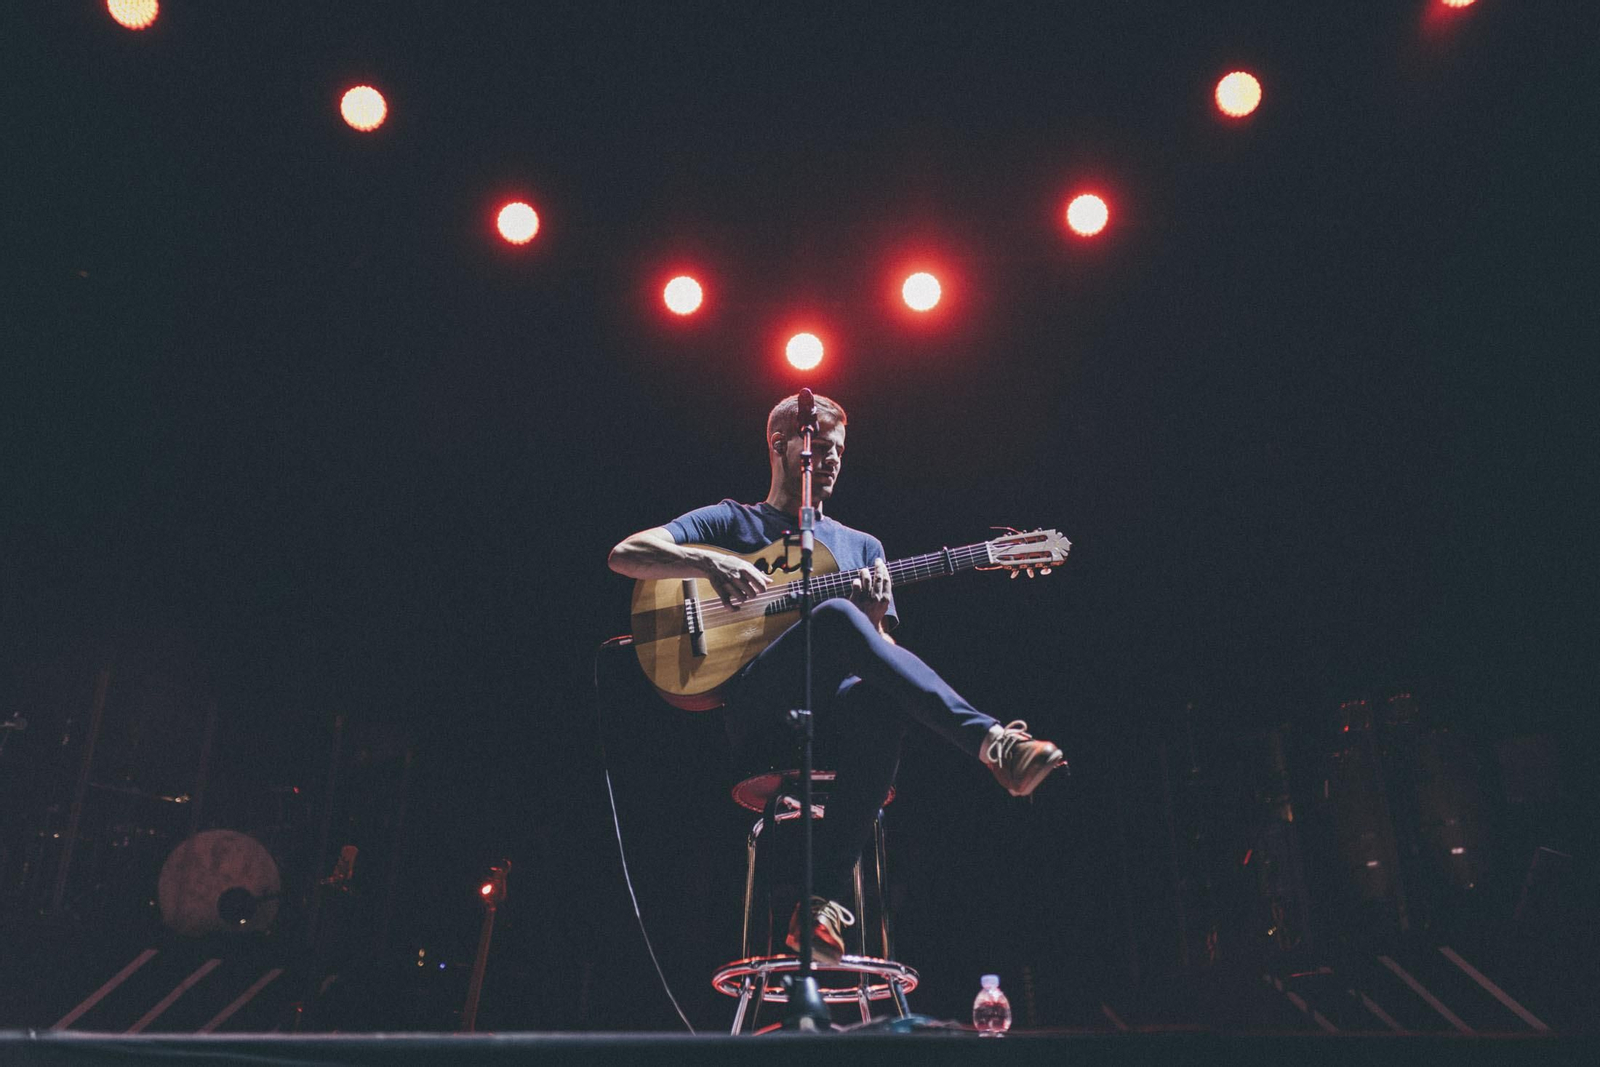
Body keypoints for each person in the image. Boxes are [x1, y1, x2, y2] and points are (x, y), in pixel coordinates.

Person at [607, 393, 1066, 963]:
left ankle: (818, 904)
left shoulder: (863, 547)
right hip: (758, 707)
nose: (830, 462)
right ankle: (991, 742)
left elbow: (887, 660)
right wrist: (709, 562)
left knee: (879, 695)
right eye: (819, 448)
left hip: (837, 717)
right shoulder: (731, 520)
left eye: (839, 453)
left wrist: (872, 624)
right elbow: (627, 553)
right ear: (781, 446)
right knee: (837, 615)